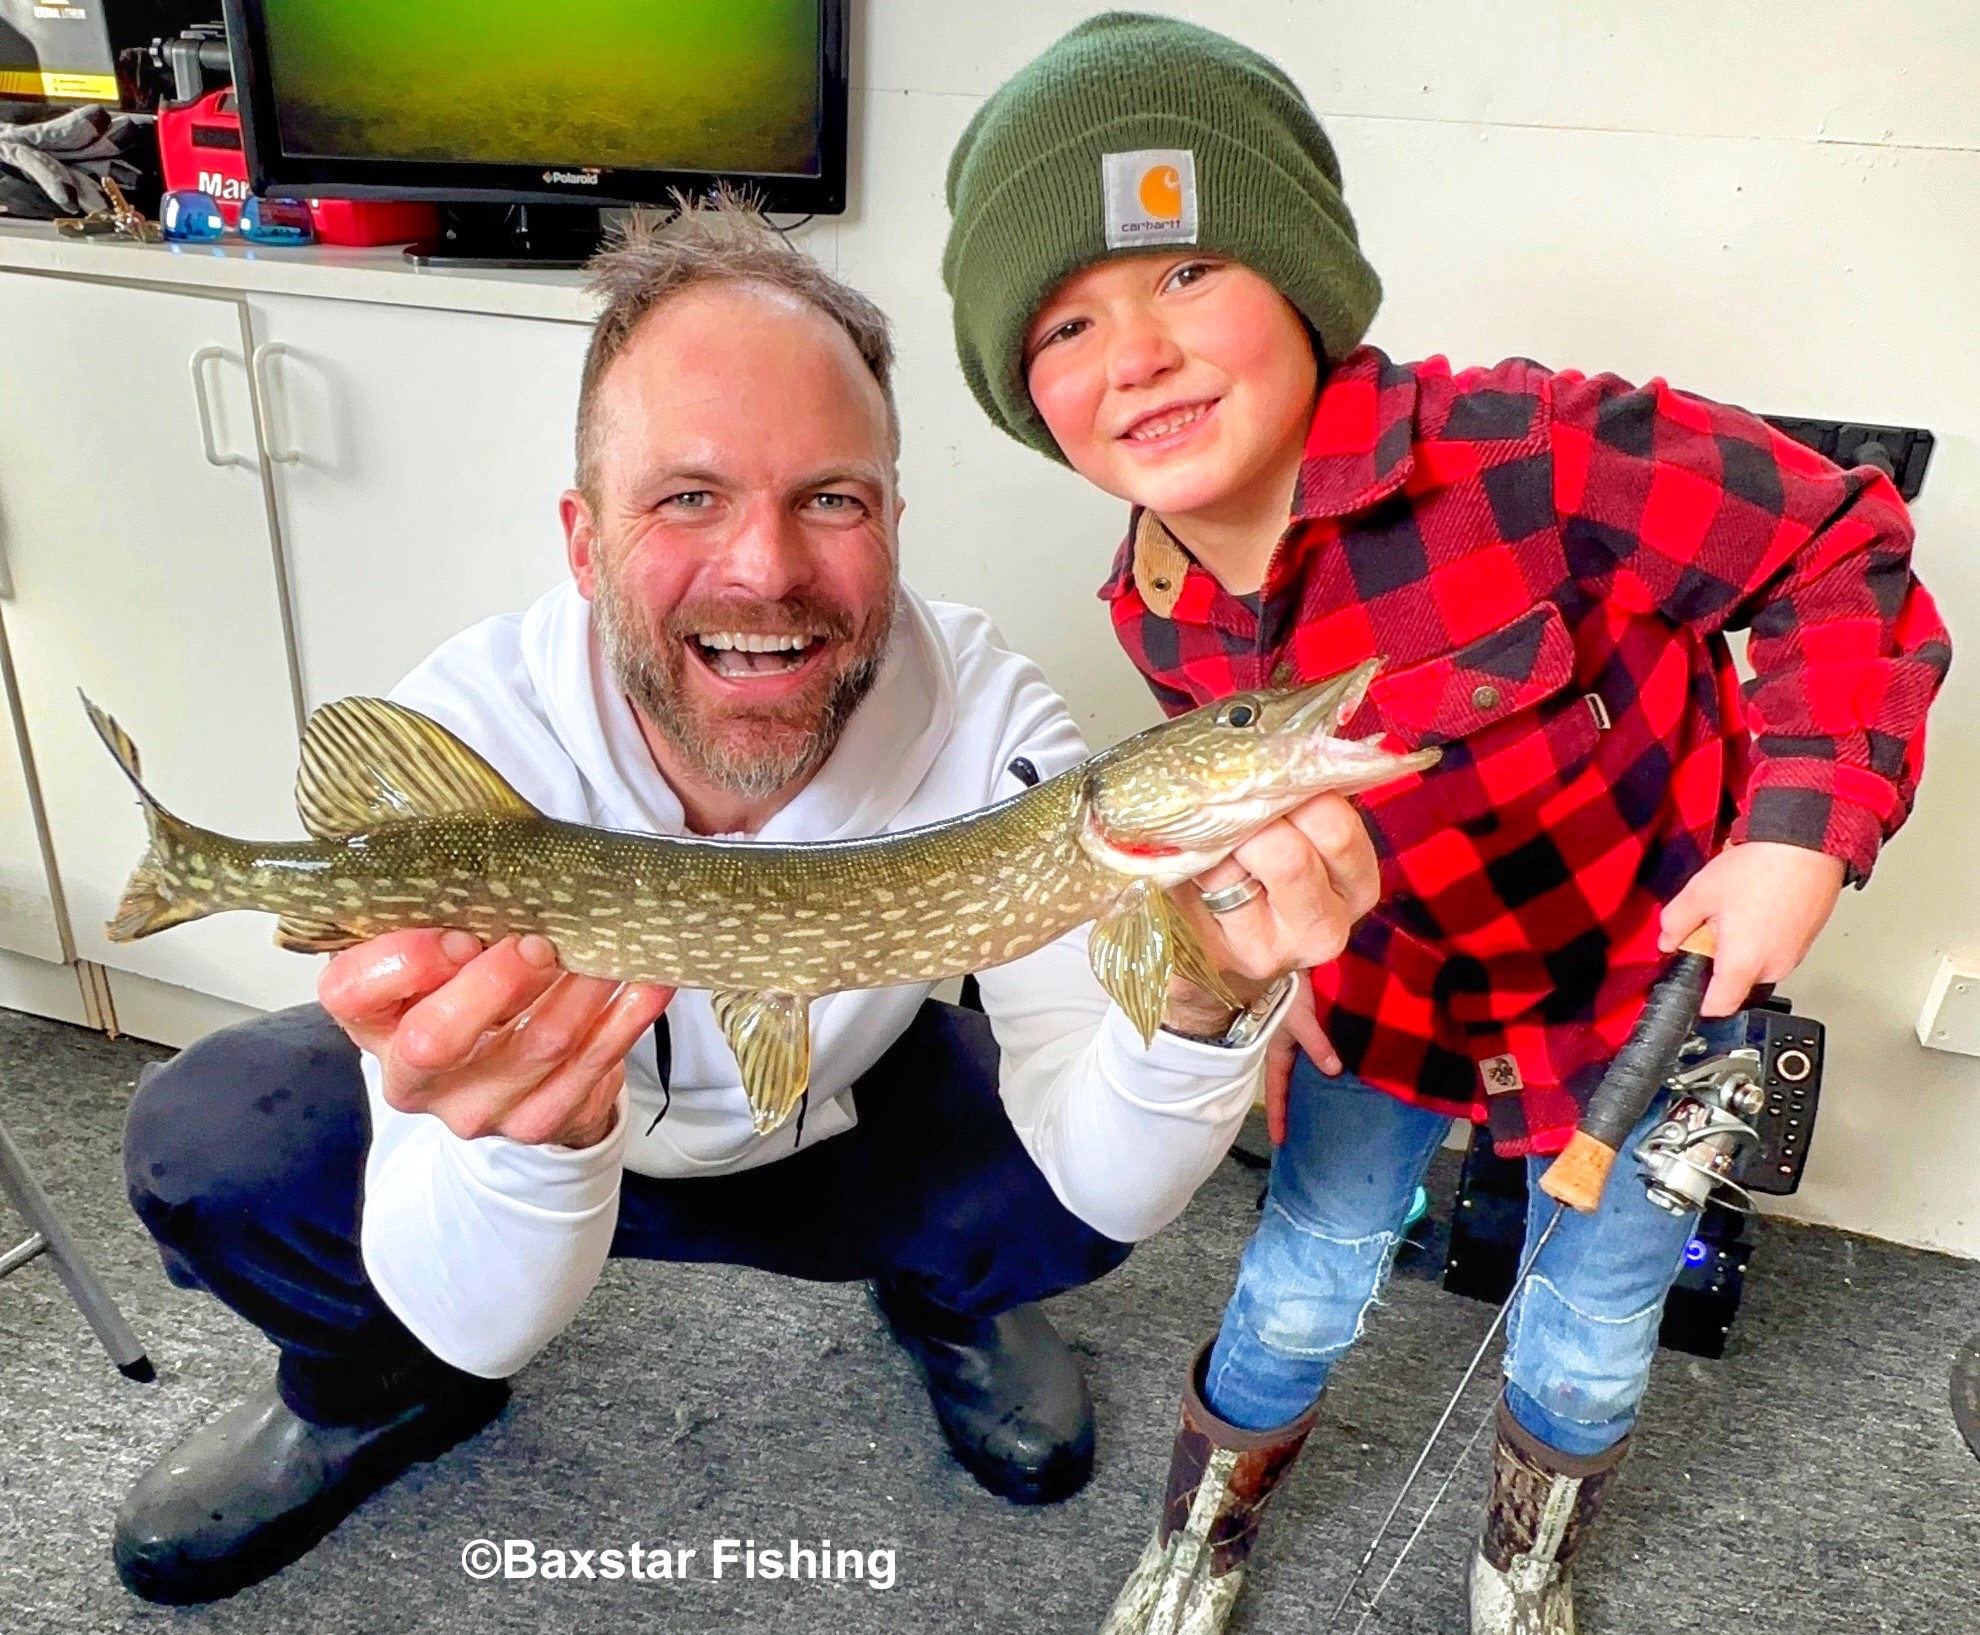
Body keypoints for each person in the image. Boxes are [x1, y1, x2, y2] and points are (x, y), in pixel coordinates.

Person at [111, 199, 1383, 1606]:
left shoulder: (997, 718)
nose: (765, 569)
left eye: (829, 498)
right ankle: (362, 1391)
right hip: (548, 1150)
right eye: (687, 496)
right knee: (213, 1136)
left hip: (832, 1129)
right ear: (584, 542)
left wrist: (1205, 996)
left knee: (1079, 1156)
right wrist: (536, 1129)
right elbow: (483, 1316)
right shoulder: (475, 721)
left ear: (893, 522)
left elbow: (1112, 1176)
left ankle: (948, 1303)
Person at [940, 15, 1951, 1633]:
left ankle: (1527, 1562)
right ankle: (1200, 1535)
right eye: (1066, 323)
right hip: (1387, 1016)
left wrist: (1799, 835)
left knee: (1596, 1324)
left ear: (1306, 278)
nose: (1133, 349)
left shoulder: (1536, 450)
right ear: (1027, 393)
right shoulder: (1154, 606)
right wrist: (1266, 988)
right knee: (1295, 1287)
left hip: (1652, 1011)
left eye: (1186, 273)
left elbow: (1844, 554)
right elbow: (1252, 842)